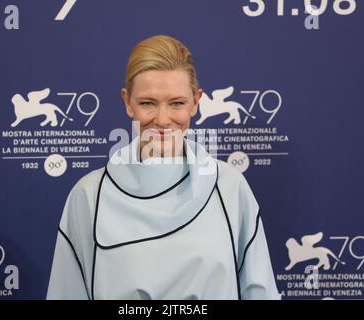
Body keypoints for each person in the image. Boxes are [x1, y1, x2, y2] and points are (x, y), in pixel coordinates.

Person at [46, 35, 280, 300]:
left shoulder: (229, 186)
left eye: (177, 103)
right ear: (127, 102)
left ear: (196, 101)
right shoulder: (89, 195)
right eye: (147, 103)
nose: (162, 119)